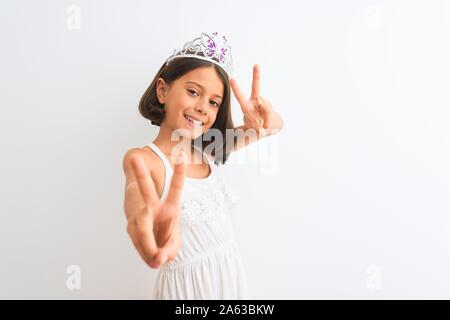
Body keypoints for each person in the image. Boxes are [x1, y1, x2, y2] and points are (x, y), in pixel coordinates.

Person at [122, 32, 284, 299]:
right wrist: (149, 233)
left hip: (227, 284)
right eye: (193, 92)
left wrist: (265, 119)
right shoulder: (144, 160)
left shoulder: (209, 148)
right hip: (188, 292)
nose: (202, 108)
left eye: (213, 102)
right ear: (163, 90)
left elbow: (274, 127)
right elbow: (137, 205)